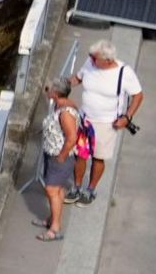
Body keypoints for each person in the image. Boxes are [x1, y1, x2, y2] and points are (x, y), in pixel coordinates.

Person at [69, 39, 144, 204]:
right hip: (85, 119)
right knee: (80, 155)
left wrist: (127, 117)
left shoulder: (124, 73)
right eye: (91, 56)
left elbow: (138, 96)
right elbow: (78, 78)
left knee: (98, 157)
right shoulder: (90, 62)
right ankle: (76, 187)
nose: (91, 59)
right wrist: (64, 85)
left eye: (95, 58)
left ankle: (91, 189)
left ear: (108, 60)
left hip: (106, 124)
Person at [39, 78, 81, 240]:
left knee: (51, 190)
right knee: (58, 190)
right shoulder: (60, 104)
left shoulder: (65, 113)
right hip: (52, 153)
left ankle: (54, 228)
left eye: (49, 88)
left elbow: (72, 138)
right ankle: (52, 219)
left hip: (60, 157)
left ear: (56, 93)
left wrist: (62, 157)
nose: (47, 90)